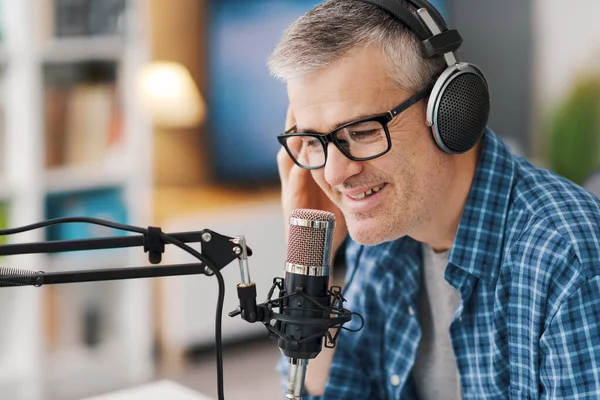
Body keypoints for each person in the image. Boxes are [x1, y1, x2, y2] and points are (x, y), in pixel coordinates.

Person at [269, 0, 600, 399]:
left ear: (451, 112)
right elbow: (331, 392)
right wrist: (311, 257)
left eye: (362, 131)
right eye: (312, 141)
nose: (335, 174)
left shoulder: (566, 258)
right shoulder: (382, 243)